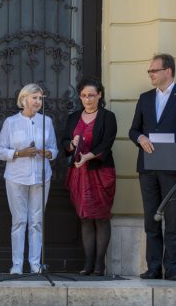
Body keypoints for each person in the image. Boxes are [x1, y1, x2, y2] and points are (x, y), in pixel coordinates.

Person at [129, 53, 176, 281]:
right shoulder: (145, 98)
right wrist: (140, 139)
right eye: (149, 71)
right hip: (147, 168)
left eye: (154, 70)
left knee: (173, 220)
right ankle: (153, 267)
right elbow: (133, 130)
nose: (150, 74)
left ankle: (171, 269)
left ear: (167, 71)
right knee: (151, 219)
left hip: (173, 169)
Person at [0, 84, 58, 275]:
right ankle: (16, 265)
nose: (38, 102)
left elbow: (54, 148)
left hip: (40, 176)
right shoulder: (11, 122)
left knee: (37, 221)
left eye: (40, 98)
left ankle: (35, 264)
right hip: (16, 177)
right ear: (24, 100)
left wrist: (49, 153)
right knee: (19, 220)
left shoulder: (46, 121)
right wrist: (19, 153)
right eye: (35, 98)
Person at [62, 77, 117, 276]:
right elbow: (65, 143)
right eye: (84, 96)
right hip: (79, 174)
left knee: (101, 218)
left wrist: (87, 156)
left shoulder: (107, 117)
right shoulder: (73, 117)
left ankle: (100, 265)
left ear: (99, 95)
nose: (87, 99)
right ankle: (88, 263)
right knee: (85, 218)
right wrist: (71, 144)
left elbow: (106, 144)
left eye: (91, 95)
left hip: (100, 172)